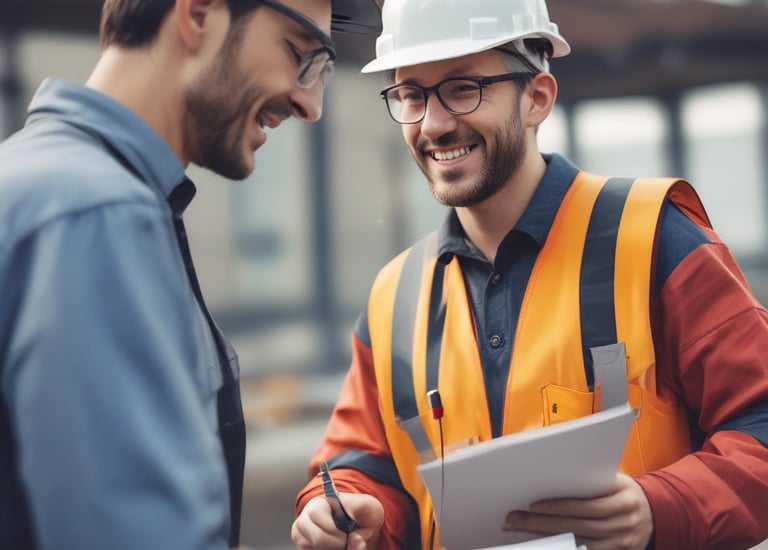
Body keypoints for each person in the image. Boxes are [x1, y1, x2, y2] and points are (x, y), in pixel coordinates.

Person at [291, 0, 768, 548]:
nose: (435, 123)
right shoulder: (393, 301)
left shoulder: (657, 239)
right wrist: (347, 513)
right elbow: (363, 465)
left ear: (537, 98)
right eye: (412, 94)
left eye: (463, 87)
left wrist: (660, 508)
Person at [0, 0, 381, 549]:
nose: (310, 103)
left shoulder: (52, 187)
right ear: (199, 14)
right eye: (300, 54)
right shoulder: (96, 213)